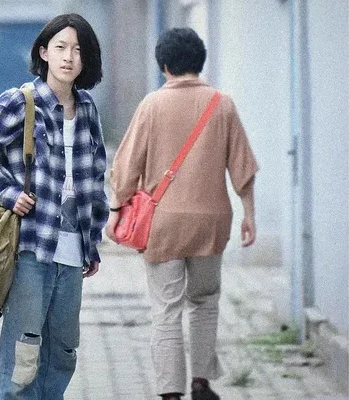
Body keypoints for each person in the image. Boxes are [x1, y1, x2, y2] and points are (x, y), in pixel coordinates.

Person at [0, 13, 108, 400]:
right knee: (24, 353)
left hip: (73, 250)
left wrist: (92, 241)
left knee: (63, 352)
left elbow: (95, 177)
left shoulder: (88, 109)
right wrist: (9, 194)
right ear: (44, 52)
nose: (68, 57)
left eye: (78, 50)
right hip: (30, 248)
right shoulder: (21, 102)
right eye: (60, 47)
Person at [105, 27, 258, 400]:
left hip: (164, 224)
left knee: (167, 309)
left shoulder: (151, 105)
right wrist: (249, 214)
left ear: (164, 65)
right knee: (204, 301)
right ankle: (201, 383)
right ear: (199, 62)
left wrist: (115, 209)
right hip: (210, 222)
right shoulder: (222, 104)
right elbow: (242, 166)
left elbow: (126, 167)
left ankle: (170, 392)